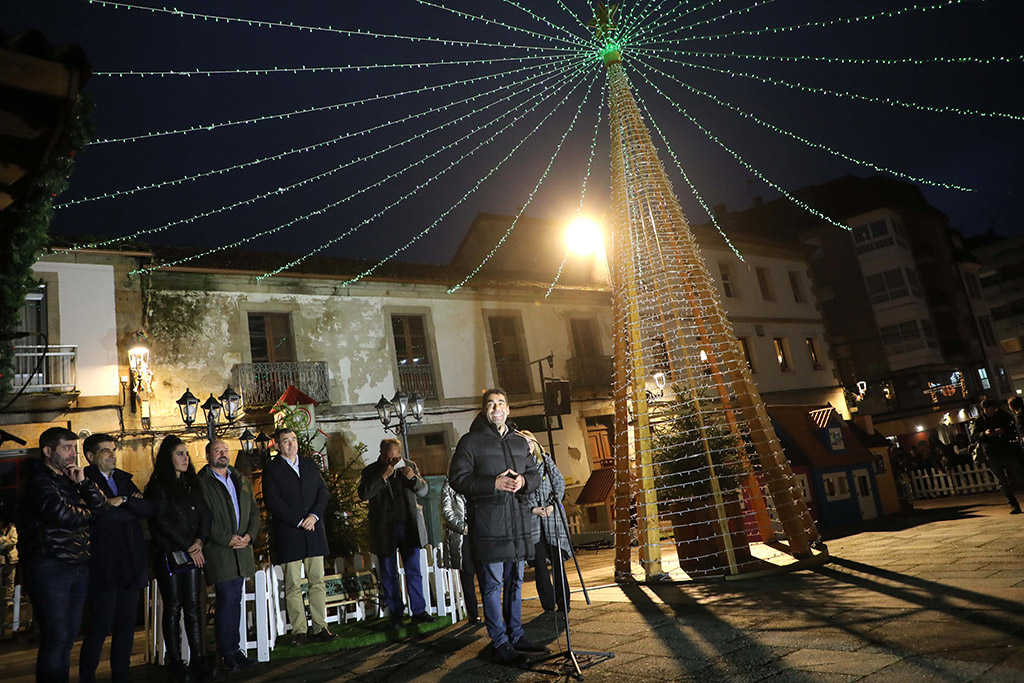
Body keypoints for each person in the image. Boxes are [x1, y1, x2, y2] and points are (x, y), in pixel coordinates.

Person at [448, 388, 544, 663]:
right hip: (489, 526)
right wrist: (493, 483)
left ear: (508, 409)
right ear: (484, 410)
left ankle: (516, 636)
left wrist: (524, 482)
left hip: (518, 523)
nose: (496, 408)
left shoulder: (519, 442)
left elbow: (535, 474)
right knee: (492, 586)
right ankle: (499, 642)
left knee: (515, 582)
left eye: (501, 403)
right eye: (490, 404)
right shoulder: (470, 442)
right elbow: (458, 479)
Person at [17, 426, 107, 683]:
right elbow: (60, 513)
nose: (73, 455)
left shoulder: (70, 478)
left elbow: (101, 506)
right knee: (56, 636)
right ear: (48, 451)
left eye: (74, 448)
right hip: (50, 566)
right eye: (67, 448)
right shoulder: (37, 479)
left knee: (68, 637)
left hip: (77, 563)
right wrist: (91, 514)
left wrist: (84, 483)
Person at [79, 434, 155, 683]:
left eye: (114, 449)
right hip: (104, 564)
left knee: (126, 623)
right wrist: (126, 503)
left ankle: (121, 675)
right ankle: (87, 677)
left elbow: (147, 509)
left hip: (130, 562)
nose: (113, 455)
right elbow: (98, 517)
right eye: (106, 451)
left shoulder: (124, 479)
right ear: (91, 457)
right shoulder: (85, 482)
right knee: (100, 625)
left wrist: (118, 502)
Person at [144, 435, 213, 682]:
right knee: (173, 607)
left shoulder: (192, 484)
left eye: (186, 454)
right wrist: (188, 546)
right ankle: (176, 661)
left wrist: (199, 542)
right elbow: (161, 521)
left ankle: (198, 658)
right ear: (168, 458)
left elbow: (205, 514)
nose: (185, 458)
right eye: (179, 454)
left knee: (193, 606)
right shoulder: (158, 487)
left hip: (193, 551)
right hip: (169, 554)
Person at [261, 427, 335, 642]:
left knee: (317, 581)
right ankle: (300, 631)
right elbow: (273, 502)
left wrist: (314, 516)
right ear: (277, 445)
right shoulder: (272, 470)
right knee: (293, 585)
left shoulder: (310, 464)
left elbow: (323, 492)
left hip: (314, 531)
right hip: (290, 532)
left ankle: (321, 627)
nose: (291, 444)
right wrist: (299, 520)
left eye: (293, 439)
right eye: (286, 441)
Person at [196, 440, 260, 673]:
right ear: (207, 456)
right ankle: (226, 653)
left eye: (225, 451)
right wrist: (226, 538)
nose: (223, 454)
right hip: (220, 551)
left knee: (236, 600)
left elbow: (254, 512)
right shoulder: (202, 483)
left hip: (242, 549)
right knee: (227, 599)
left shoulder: (240, 479)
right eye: (217, 451)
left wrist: (249, 536)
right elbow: (203, 518)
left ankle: (235, 651)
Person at [357, 438, 436, 627]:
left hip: (408, 526)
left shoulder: (409, 466)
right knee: (388, 573)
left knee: (414, 571)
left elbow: (424, 491)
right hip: (384, 529)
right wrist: (383, 476)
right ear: (382, 454)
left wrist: (413, 478)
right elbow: (364, 494)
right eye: (390, 457)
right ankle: (396, 614)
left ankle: (419, 611)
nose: (394, 461)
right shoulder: (371, 471)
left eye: (397, 456)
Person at [521, 430, 572, 614]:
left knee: (558, 561)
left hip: (551, 518)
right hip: (534, 522)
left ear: (535, 443)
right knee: (540, 566)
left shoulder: (546, 462)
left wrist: (553, 505)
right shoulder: (519, 467)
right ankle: (548, 604)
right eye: (523, 442)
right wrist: (533, 509)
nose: (527, 445)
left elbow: (559, 484)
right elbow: (519, 495)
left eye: (529, 441)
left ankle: (564, 601)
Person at [971, 398, 1023, 514]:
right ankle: (1013, 504)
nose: (990, 412)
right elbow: (974, 436)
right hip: (991, 453)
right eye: (987, 411)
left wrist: (1003, 431)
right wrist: (985, 433)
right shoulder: (979, 421)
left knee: (1019, 476)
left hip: (1006, 450)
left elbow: (1013, 428)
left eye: (991, 410)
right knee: (1002, 481)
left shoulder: (1003, 416)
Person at [440, 476, 479, 623]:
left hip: (480, 532)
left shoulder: (476, 480)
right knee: (467, 573)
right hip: (463, 536)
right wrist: (464, 528)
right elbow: (446, 511)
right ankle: (473, 614)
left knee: (484, 572)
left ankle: (490, 613)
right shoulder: (449, 484)